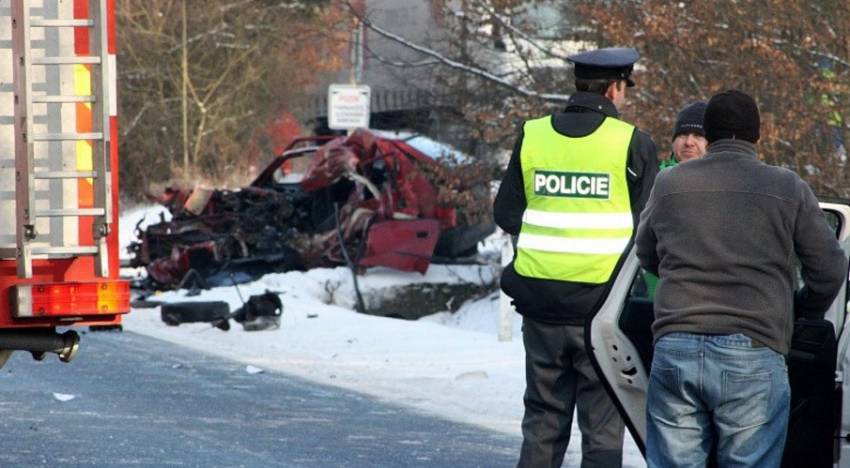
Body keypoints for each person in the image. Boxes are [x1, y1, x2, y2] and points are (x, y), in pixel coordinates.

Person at [635, 89, 847, 467]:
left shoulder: (670, 185)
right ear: (758, 136)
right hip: (753, 351)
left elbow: (647, 253)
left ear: (709, 136)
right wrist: (800, 309)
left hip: (676, 345)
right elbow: (829, 269)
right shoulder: (787, 187)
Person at [494, 47, 658, 468]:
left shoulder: (533, 135)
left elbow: (507, 214)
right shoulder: (632, 144)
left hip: (541, 308)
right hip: (600, 312)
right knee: (602, 425)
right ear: (615, 87)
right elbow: (651, 229)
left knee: (543, 420)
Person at [660, 101, 708, 169]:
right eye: (683, 134)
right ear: (673, 142)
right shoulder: (654, 177)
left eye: (698, 135)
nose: (688, 142)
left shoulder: (725, 177)